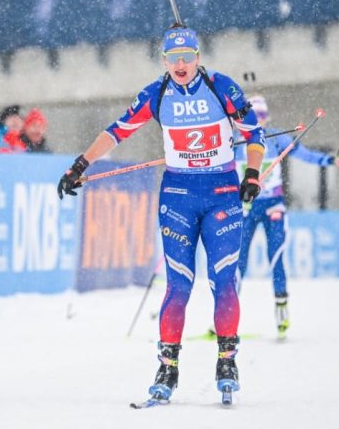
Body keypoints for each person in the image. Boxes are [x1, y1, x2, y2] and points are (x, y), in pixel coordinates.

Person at [57, 27, 265, 403]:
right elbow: (117, 131)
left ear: (199, 57)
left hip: (222, 195)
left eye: (187, 57)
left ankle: (226, 360)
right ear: (164, 60)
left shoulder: (222, 87)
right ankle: (167, 368)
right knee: (178, 285)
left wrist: (252, 174)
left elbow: (254, 134)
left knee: (224, 281)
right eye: (173, 58)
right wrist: (80, 164)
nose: (181, 64)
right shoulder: (157, 93)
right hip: (178, 196)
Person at [234, 95, 339, 339]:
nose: (259, 121)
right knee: (237, 262)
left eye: (262, 116)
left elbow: (306, 155)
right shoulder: (235, 142)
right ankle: (225, 318)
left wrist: (333, 160)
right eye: (253, 117)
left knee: (276, 257)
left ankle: (281, 311)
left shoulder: (277, 139)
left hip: (272, 205)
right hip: (246, 206)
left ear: (268, 117)